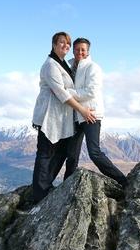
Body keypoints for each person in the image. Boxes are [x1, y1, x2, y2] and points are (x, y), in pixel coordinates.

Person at [31, 32, 96, 203]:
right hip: (48, 115)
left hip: (59, 117)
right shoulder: (51, 65)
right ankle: (38, 193)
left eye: (67, 44)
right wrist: (83, 110)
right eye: (62, 43)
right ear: (53, 44)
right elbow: (61, 93)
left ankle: (46, 185)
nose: (65, 46)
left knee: (59, 152)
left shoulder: (62, 64)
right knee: (45, 153)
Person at [65, 37, 128, 187]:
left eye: (83, 49)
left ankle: (123, 181)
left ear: (88, 51)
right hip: (75, 115)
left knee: (94, 152)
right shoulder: (69, 67)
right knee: (72, 154)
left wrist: (67, 92)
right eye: (77, 49)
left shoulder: (93, 68)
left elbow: (91, 91)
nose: (80, 52)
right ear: (73, 50)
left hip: (91, 114)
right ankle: (66, 186)